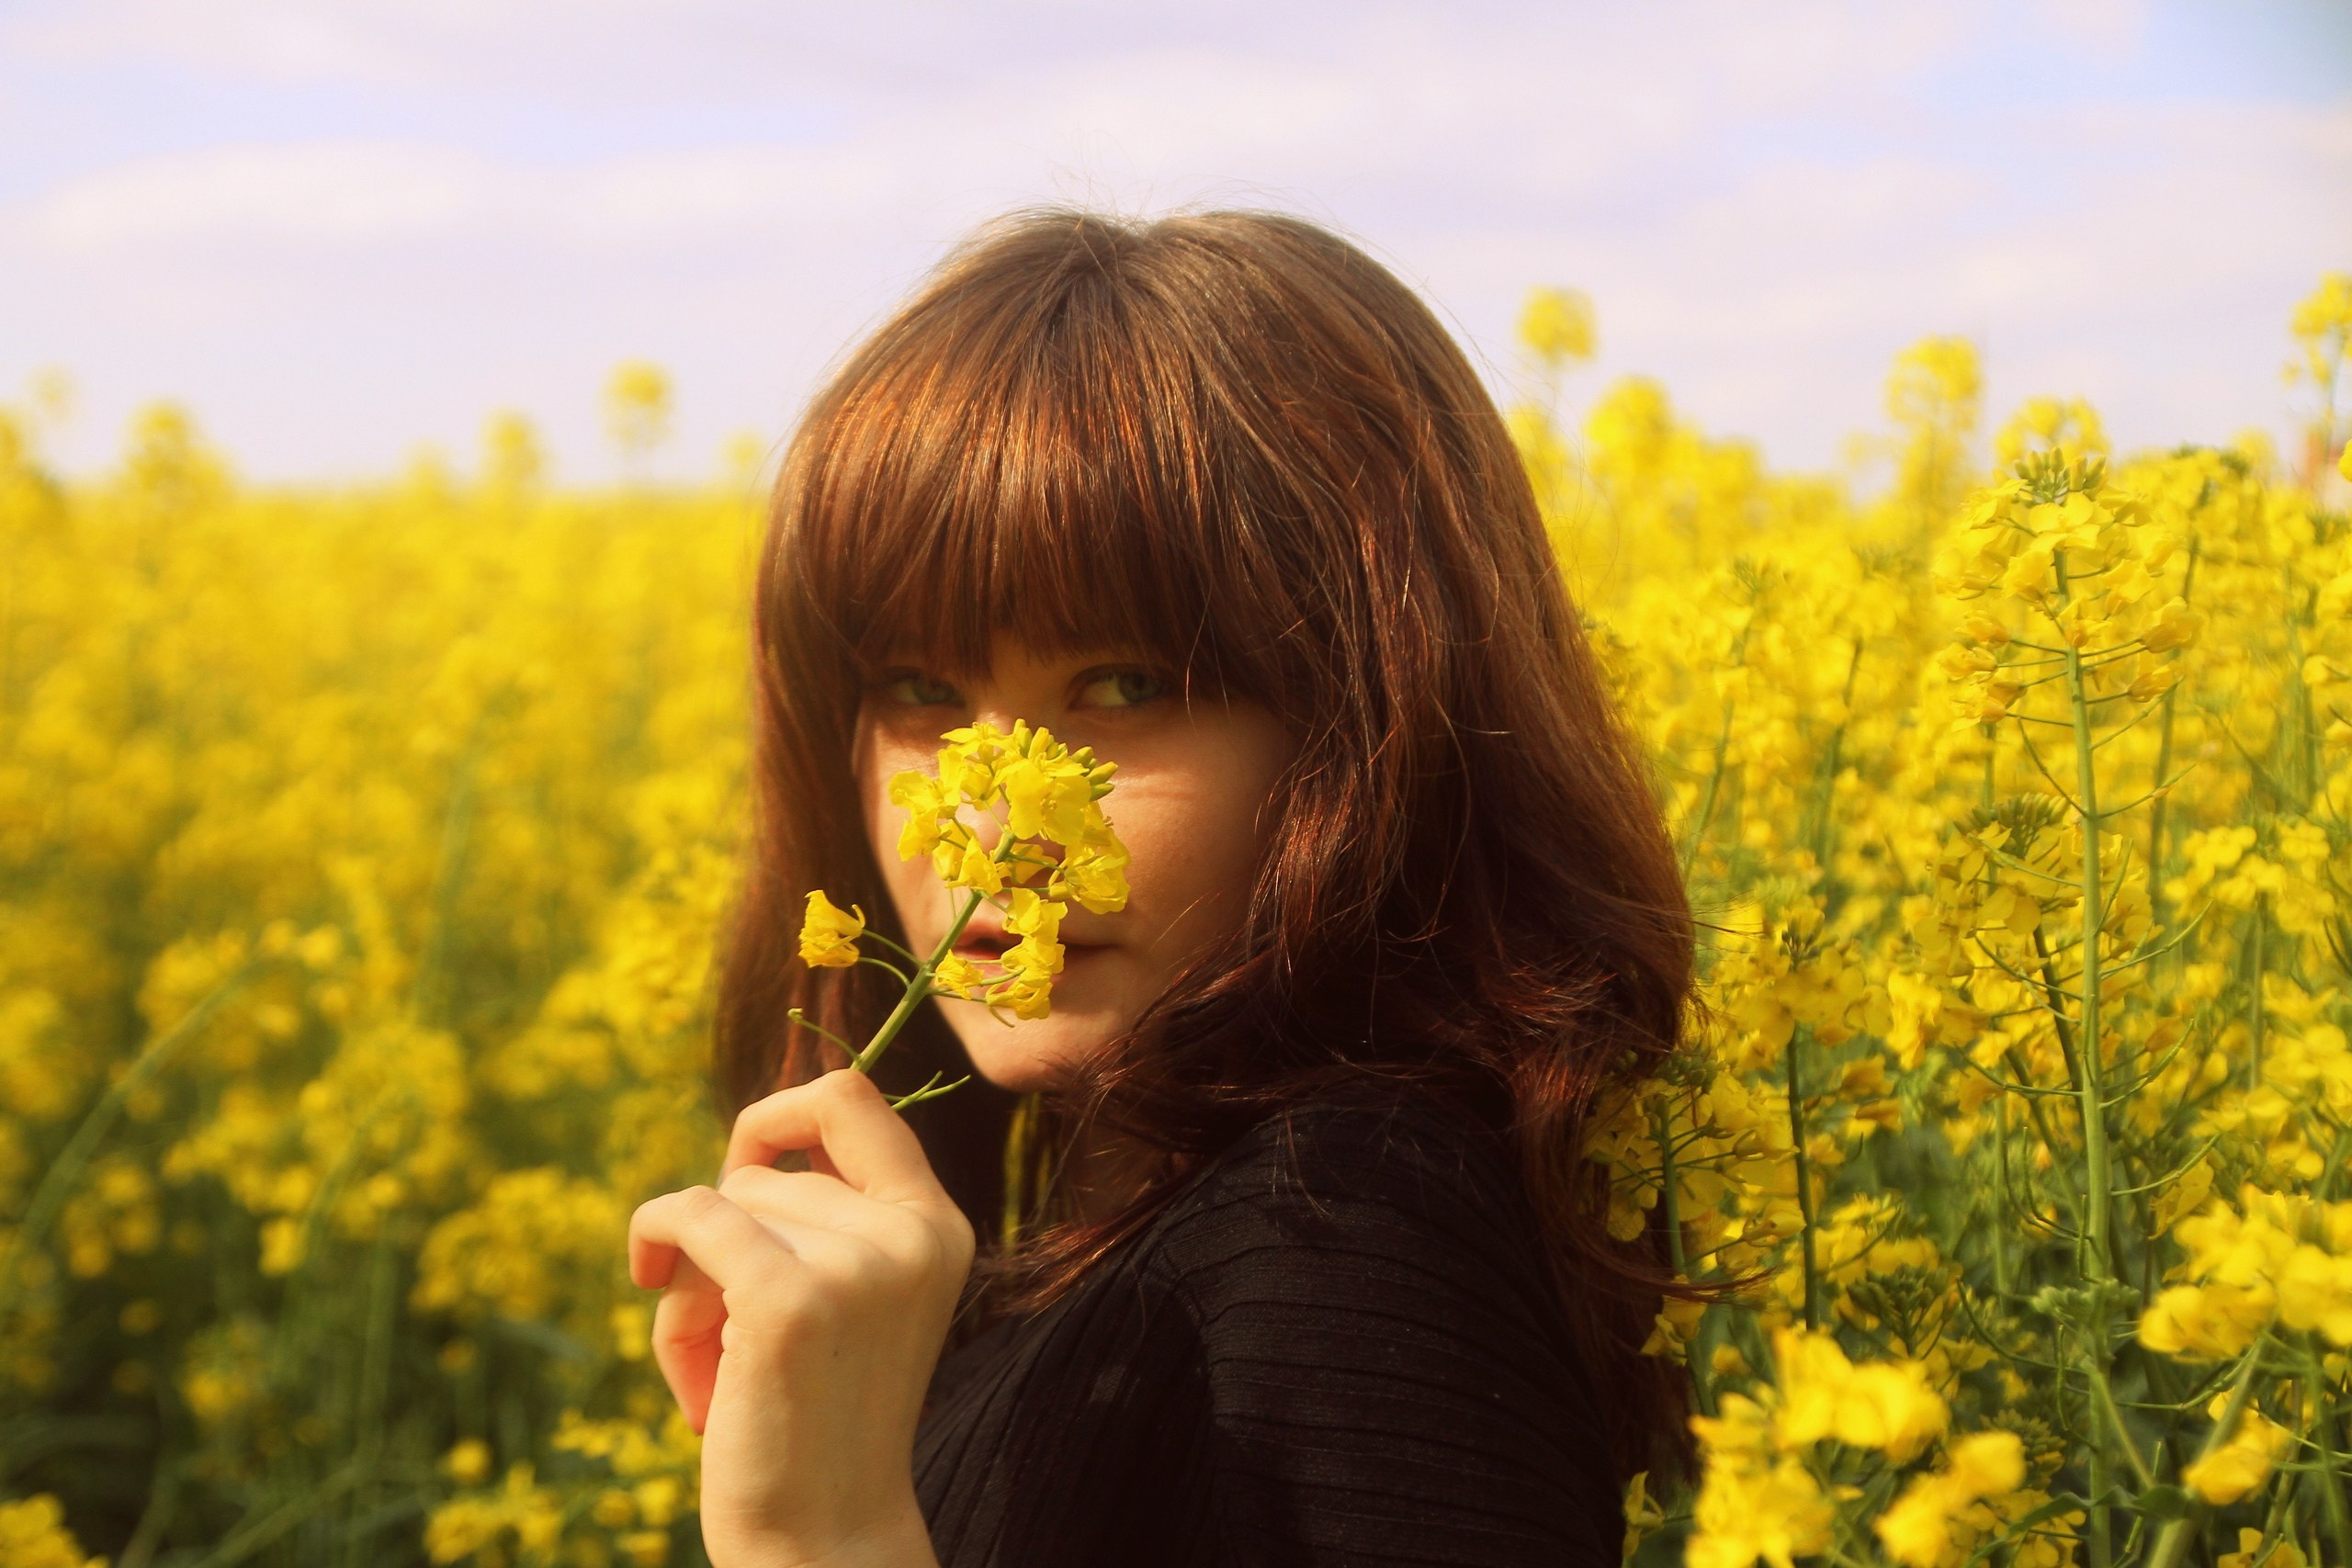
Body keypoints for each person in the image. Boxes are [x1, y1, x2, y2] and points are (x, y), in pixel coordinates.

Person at [627, 208, 1697, 1568]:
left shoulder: (1351, 1231)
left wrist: (822, 1538)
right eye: (918, 691)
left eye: (1121, 687)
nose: (996, 825)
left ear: (1370, 724)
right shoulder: (1106, 1213)